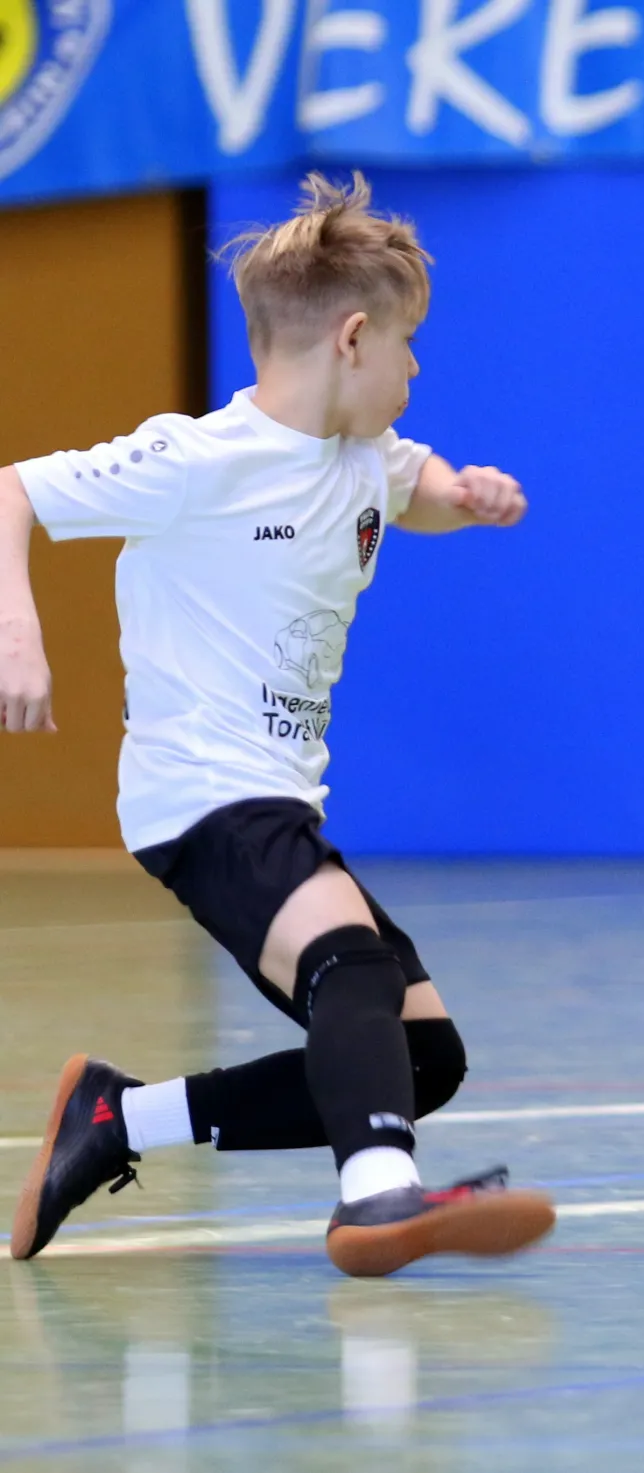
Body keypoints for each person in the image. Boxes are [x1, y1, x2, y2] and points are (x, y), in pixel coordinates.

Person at [0, 172, 555, 1277]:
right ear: (353, 338)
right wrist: (18, 629)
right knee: (351, 968)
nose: (415, 371)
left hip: (276, 798)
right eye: (407, 346)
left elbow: (417, 488)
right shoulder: (199, 459)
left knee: (423, 1056)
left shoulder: (367, 456)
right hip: (202, 793)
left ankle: (118, 1118)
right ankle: (377, 1196)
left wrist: (469, 497)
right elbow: (11, 488)